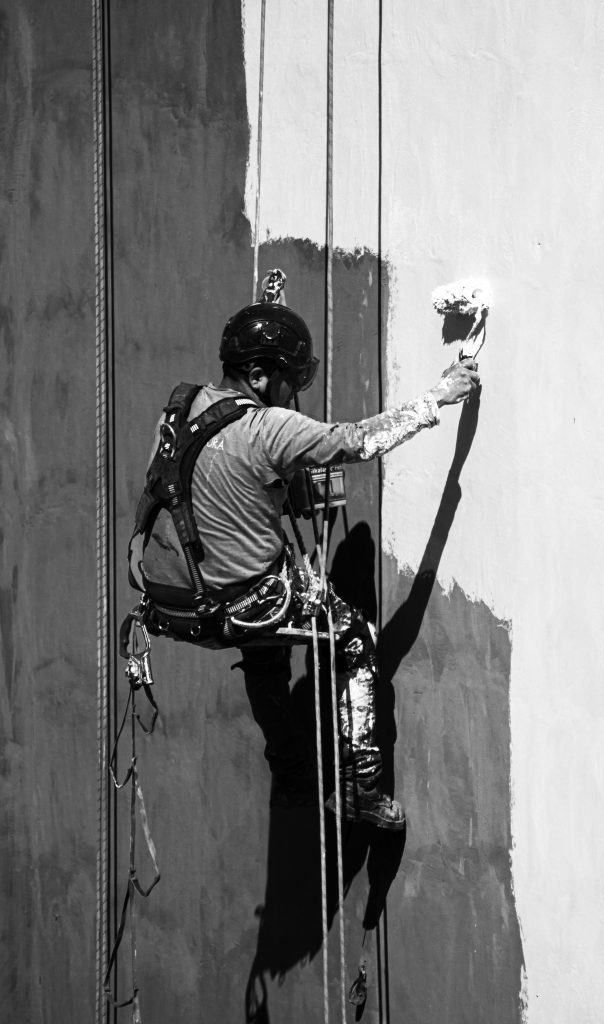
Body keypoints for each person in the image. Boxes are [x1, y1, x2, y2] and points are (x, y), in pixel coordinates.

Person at [128, 280, 480, 830]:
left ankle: (292, 771)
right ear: (261, 375)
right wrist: (436, 398)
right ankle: (361, 788)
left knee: (267, 656)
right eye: (289, 380)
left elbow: (213, 483)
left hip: (174, 608)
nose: (294, 394)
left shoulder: (180, 409)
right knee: (355, 636)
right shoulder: (269, 426)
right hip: (237, 603)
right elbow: (358, 440)